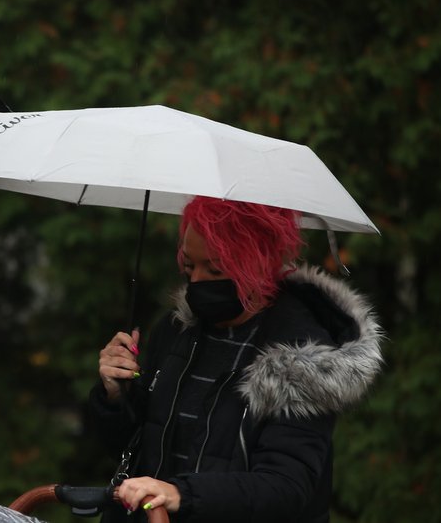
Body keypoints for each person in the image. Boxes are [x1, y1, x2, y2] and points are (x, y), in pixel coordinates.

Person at [89, 196, 383, 522]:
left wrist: (180, 494)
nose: (196, 280)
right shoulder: (176, 330)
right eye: (189, 266)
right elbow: (128, 446)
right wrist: (115, 395)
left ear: (257, 264)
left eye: (215, 269)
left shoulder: (301, 357)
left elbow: (286, 487)